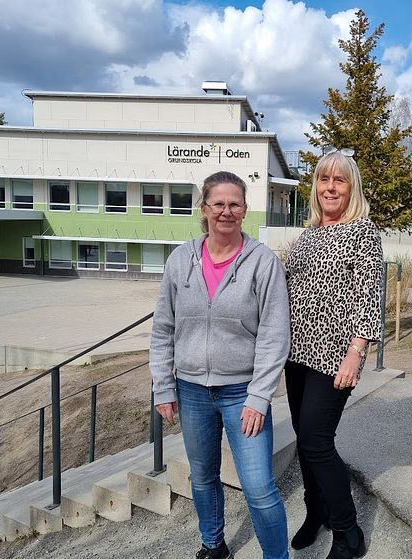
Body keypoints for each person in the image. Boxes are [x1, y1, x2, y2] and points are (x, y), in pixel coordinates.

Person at [150, 171, 290, 559]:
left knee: (260, 487)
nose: (226, 211)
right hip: (191, 391)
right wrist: (163, 386)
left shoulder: (262, 263)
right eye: (218, 204)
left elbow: (275, 336)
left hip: (242, 393)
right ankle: (213, 545)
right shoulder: (181, 260)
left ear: (244, 209)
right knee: (204, 478)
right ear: (204, 209)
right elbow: (163, 328)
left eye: (234, 204)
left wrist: (259, 396)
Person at [285, 148, 383, 559]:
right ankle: (317, 509)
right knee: (305, 442)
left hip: (333, 357)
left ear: (351, 187)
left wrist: (355, 353)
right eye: (324, 179)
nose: (330, 187)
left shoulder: (363, 232)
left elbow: (369, 296)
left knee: (316, 439)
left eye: (338, 180)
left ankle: (348, 532)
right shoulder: (307, 235)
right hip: (296, 356)